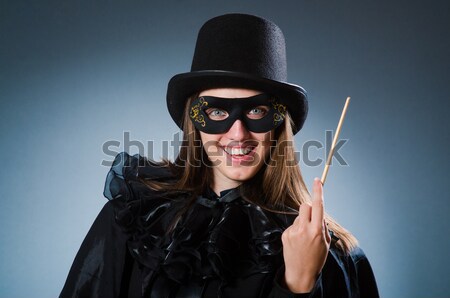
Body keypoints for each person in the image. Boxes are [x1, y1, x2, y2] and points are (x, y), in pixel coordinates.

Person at [60, 13, 379, 297]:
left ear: (279, 124)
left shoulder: (328, 252)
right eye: (216, 111)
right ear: (193, 121)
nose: (238, 134)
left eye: (257, 110)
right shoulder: (137, 218)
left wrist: (299, 284)